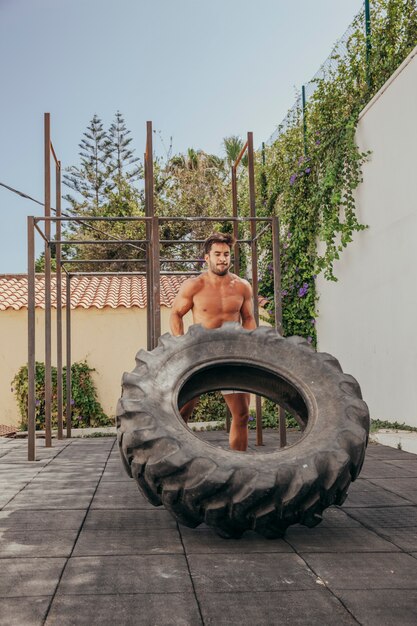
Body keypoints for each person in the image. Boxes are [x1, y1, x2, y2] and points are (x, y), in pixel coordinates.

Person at [170, 232, 256, 451]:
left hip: (231, 353)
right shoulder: (194, 286)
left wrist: (251, 348)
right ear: (206, 258)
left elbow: (248, 319)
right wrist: (180, 346)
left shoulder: (242, 286)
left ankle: (239, 465)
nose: (222, 259)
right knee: (181, 412)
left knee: (242, 414)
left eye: (226, 254)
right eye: (217, 254)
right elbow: (176, 315)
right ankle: (177, 457)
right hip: (199, 354)